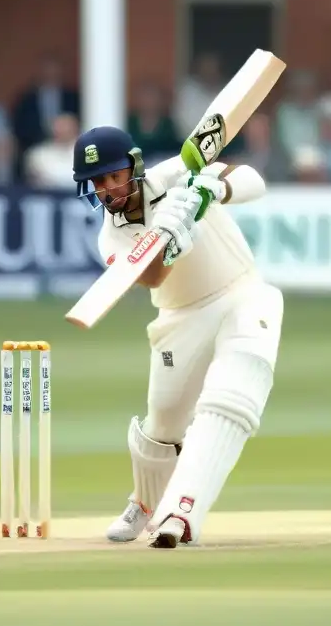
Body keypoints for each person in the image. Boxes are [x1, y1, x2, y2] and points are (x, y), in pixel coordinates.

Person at [72, 126, 283, 549]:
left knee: (230, 395)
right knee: (163, 421)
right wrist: (170, 239)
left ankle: (182, 511)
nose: (107, 188)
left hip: (241, 292)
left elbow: (253, 181)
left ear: (133, 166)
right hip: (180, 318)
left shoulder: (175, 174)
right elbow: (150, 277)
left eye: (113, 176)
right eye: (97, 181)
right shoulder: (110, 236)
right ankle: (145, 503)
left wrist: (213, 192)